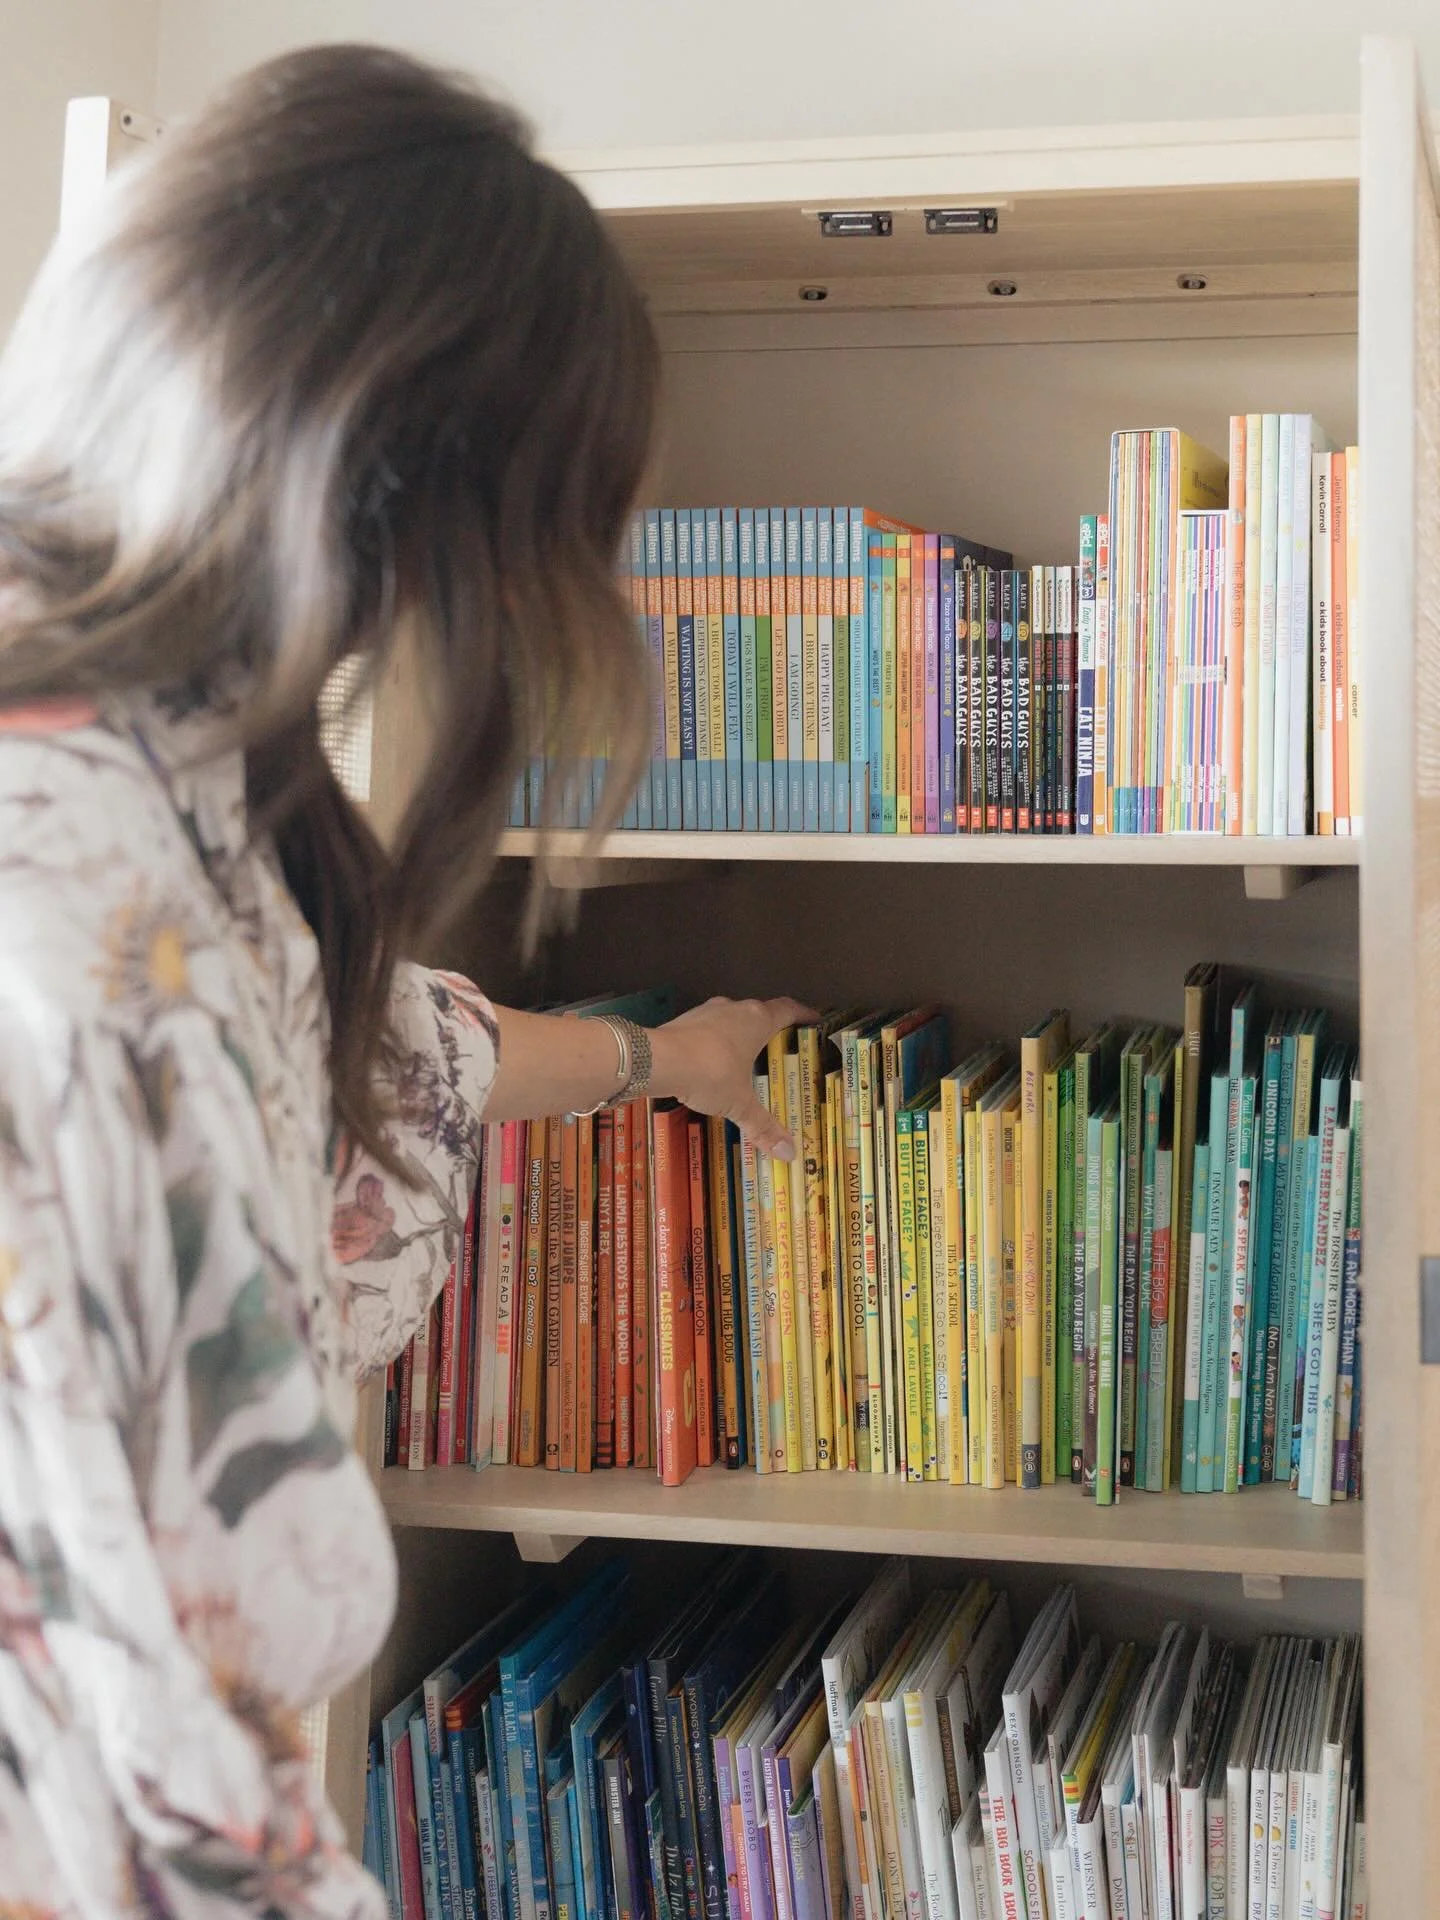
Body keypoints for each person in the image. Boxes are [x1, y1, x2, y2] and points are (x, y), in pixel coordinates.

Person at [0, 44, 805, 1918]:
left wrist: (654, 1062)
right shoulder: (99, 907)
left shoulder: (163, 792)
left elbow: (388, 1045)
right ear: (403, 504)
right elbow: (171, 1779)